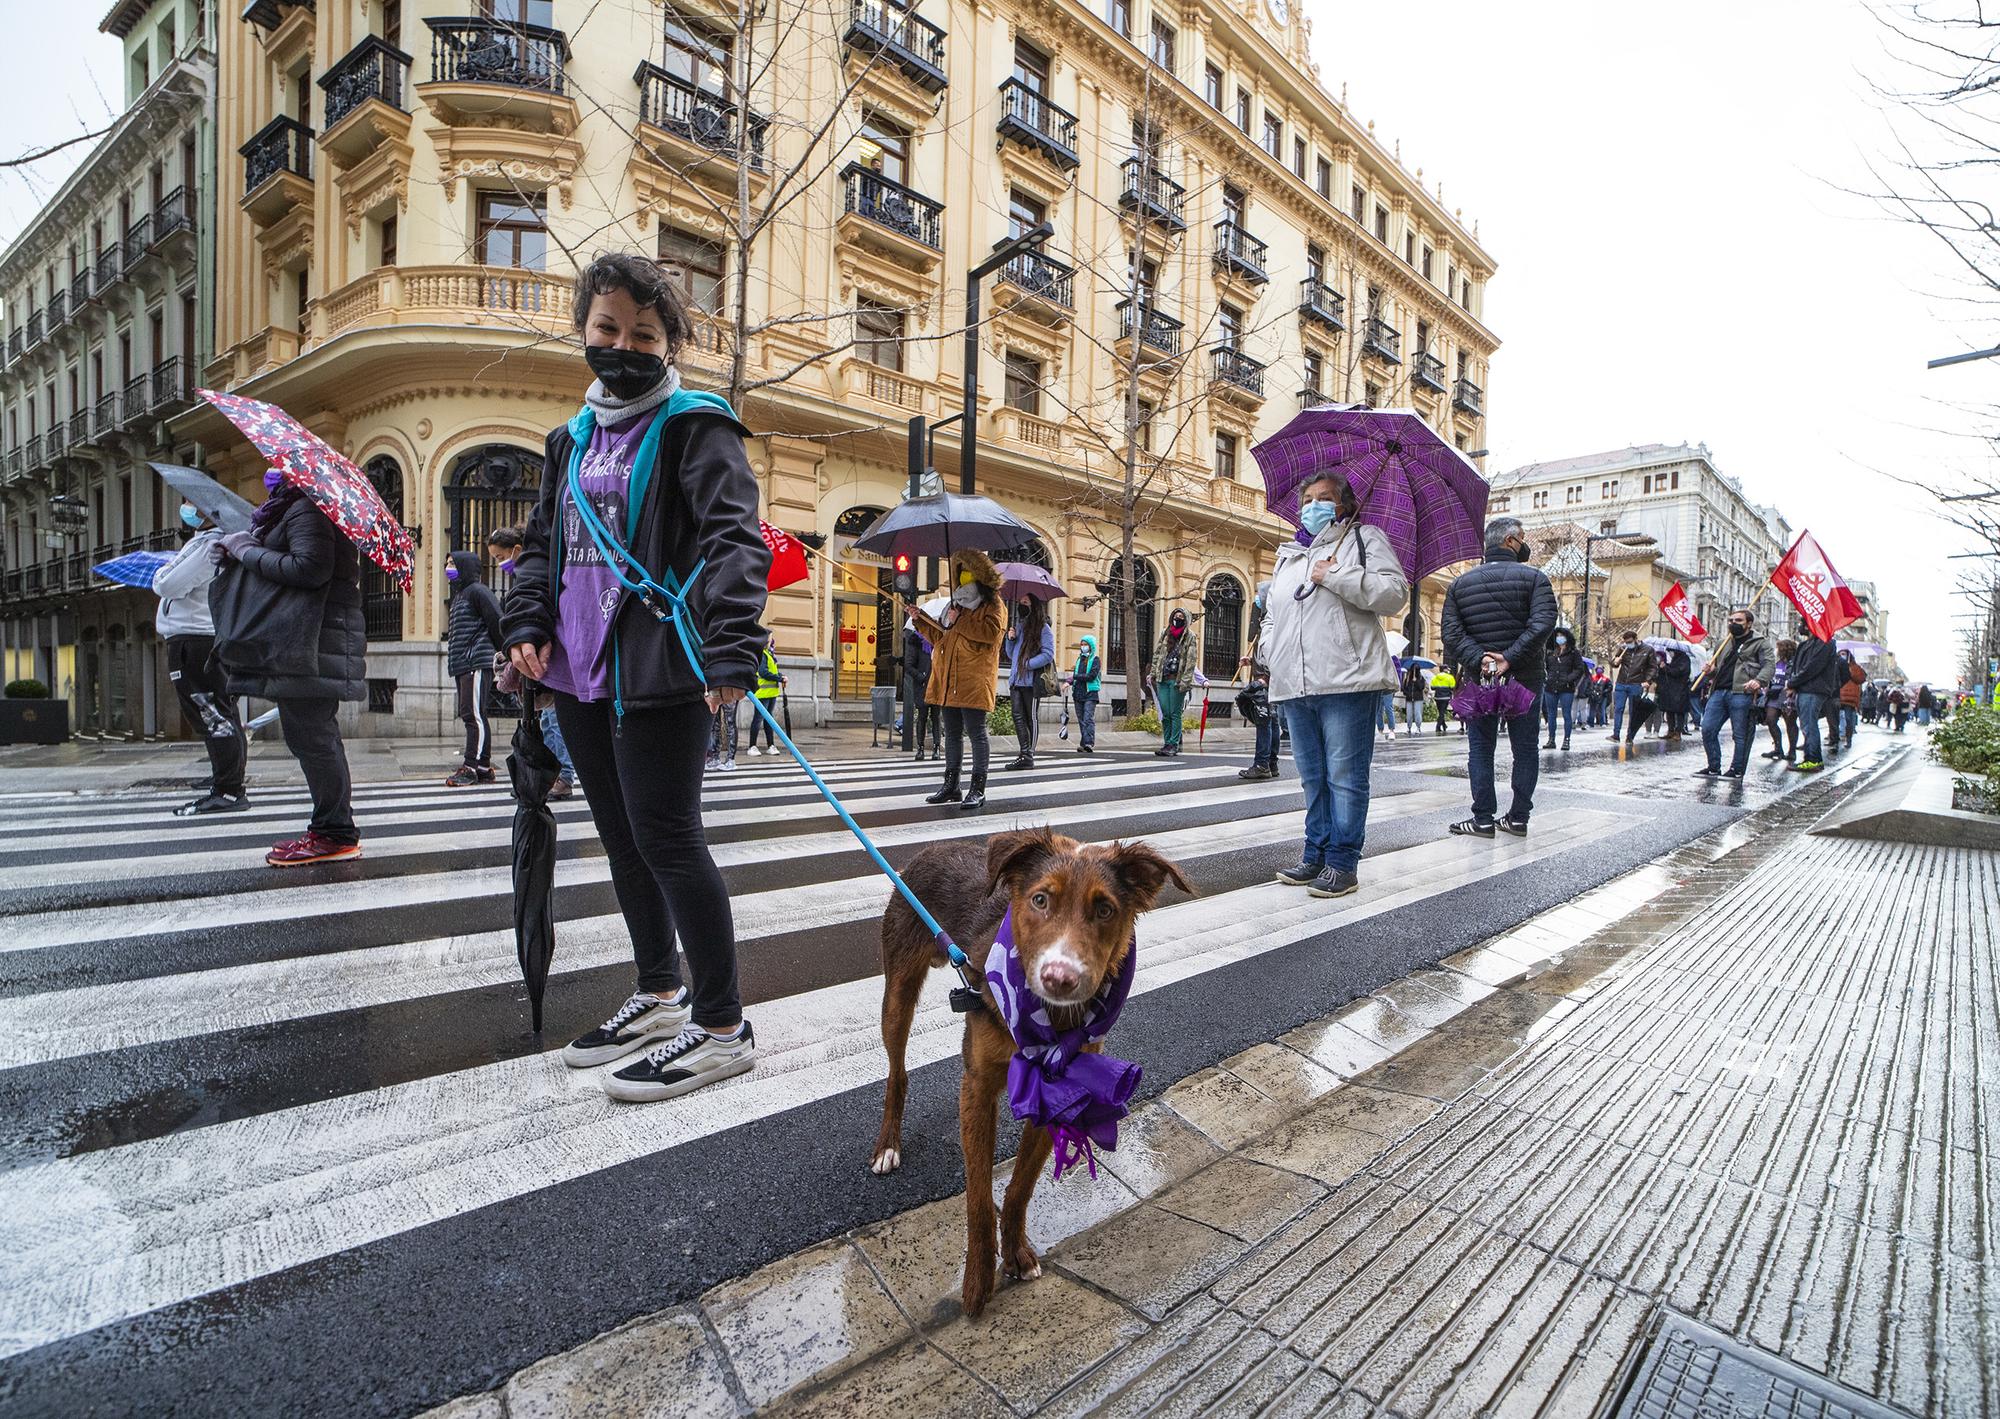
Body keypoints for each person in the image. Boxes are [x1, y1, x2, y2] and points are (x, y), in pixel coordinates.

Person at [500, 250, 769, 1102]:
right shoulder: (568, 439)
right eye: (608, 327)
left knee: (670, 839)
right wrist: (526, 625)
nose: (623, 344)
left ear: (669, 341)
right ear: (585, 327)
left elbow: (735, 538)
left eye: (643, 333)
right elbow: (542, 545)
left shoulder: (697, 424)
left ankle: (723, 1023)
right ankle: (659, 991)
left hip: (661, 669)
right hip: (581, 673)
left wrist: (733, 651)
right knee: (621, 842)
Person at [1258, 470, 1408, 897]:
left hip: (1347, 679)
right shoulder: (1288, 555)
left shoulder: (1364, 539)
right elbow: (1273, 615)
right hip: (1294, 684)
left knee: (1345, 776)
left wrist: (1336, 576)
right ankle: (1316, 853)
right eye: (1307, 498)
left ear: (1344, 505)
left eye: (1323, 498)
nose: (1312, 505)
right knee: (1313, 777)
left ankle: (1343, 860)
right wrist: (1271, 651)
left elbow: (1394, 593)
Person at [214, 470, 366, 865]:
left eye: (278, 468)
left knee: (314, 739)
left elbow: (309, 568)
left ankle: (335, 833)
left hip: (314, 639)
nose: (270, 474)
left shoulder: (307, 509)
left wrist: (246, 551)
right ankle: (332, 829)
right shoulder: (298, 509)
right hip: (306, 638)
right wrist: (239, 550)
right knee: (311, 738)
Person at [1441, 517, 1558, 837]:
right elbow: (1543, 624)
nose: (1524, 545)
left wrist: (1480, 660)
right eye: (1521, 538)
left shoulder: (1460, 585)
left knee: (1480, 748)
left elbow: (1451, 634)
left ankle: (1482, 819)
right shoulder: (1536, 578)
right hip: (1525, 677)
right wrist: (1510, 658)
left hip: (1480, 680)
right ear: (1509, 541)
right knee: (1525, 748)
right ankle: (1518, 817)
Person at [155, 503, 250, 816]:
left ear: (211, 510)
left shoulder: (211, 543)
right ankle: (226, 780)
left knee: (211, 714)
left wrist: (163, 573)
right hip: (199, 637)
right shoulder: (206, 542)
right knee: (219, 712)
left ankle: (229, 789)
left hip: (194, 639)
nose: (187, 508)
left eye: (194, 504)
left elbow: (167, 584)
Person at [908, 549, 1005, 809]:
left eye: (968, 576)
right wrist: (921, 621)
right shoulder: (957, 605)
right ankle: (951, 785)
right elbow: (942, 637)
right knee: (951, 733)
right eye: (960, 575)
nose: (963, 581)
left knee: (976, 734)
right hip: (947, 680)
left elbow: (991, 634)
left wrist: (958, 621)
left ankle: (978, 788)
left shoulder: (992, 605)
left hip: (974, 680)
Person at [489, 526, 574, 799]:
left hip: (553, 657)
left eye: (500, 556)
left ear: (516, 550)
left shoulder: (539, 570)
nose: (498, 563)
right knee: (548, 721)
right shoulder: (523, 579)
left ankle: (563, 776)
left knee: (554, 720)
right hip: (539, 658)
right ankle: (552, 776)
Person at [444, 550, 503, 786]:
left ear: (465, 566)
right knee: (472, 713)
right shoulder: (460, 596)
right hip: (463, 663)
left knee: (474, 715)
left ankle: (471, 766)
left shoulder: (478, 591)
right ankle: (483, 767)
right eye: (447, 564)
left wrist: (504, 653)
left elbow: (497, 621)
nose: (449, 568)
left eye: (453, 564)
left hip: (475, 661)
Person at [1695, 607, 1773, 779]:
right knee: (1707, 728)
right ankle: (1713, 767)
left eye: (1738, 621)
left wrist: (1758, 681)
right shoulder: (1723, 643)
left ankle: (1736, 770)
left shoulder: (1760, 642)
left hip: (1742, 693)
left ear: (1749, 624)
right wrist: (1710, 671)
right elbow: (1718, 669)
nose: (1733, 623)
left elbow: (1769, 665)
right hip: (1719, 691)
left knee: (1740, 735)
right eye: (1731, 620)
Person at [1000, 596, 1054, 770]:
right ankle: (1024, 753)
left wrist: (1028, 664)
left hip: (1031, 682)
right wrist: (1010, 639)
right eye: (1020, 603)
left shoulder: (1043, 629)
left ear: (1034, 606)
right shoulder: (1020, 627)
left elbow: (1048, 654)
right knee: (1018, 717)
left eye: (1025, 603)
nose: (1021, 606)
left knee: (1031, 718)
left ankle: (1028, 754)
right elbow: (1010, 655)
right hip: (1016, 680)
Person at [1152, 608, 1197, 757]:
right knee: (1165, 713)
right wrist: (1153, 673)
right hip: (1163, 679)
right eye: (1175, 616)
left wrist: (1185, 681)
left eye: (1181, 617)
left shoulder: (1190, 637)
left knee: (1174, 713)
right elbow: (1157, 654)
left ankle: (1174, 744)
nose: (1177, 619)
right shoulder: (1166, 634)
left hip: (1177, 682)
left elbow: (1190, 661)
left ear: (1186, 620)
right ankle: (1166, 743)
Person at [1541, 628, 1585, 750]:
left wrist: (1568, 678)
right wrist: (1547, 678)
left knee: (1567, 714)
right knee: (1551, 715)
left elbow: (1579, 669)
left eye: (1562, 635)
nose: (1559, 638)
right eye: (1557, 635)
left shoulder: (1573, 653)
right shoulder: (1550, 653)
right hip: (1550, 687)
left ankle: (1566, 740)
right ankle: (1551, 739)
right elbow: (1544, 667)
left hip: (1566, 688)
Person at [1760, 638, 1798, 761]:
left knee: (1790, 723)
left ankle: (1792, 751)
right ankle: (1778, 748)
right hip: (1773, 695)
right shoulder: (1777, 663)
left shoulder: (1794, 663)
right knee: (1770, 720)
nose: (1777, 651)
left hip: (1787, 694)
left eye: (1780, 649)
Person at [1610, 631, 1650, 740]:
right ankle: (1616, 734)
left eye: (1630, 642)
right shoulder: (1623, 649)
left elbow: (1652, 667)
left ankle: (1630, 736)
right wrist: (1615, 662)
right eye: (1626, 642)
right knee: (1618, 708)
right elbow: (1614, 663)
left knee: (1634, 711)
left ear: (1636, 639)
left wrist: (1648, 680)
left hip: (1636, 683)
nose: (1628, 644)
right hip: (1621, 683)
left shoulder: (1647, 650)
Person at [1068, 632, 1102, 755]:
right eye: (1081, 644)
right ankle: (1084, 743)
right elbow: (1076, 677)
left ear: (1091, 646)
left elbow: (1091, 676)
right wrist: (1069, 682)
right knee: (1081, 719)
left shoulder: (1095, 660)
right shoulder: (1079, 660)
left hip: (1090, 693)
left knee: (1088, 718)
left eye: (1085, 644)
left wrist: (1075, 676)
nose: (1083, 646)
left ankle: (1089, 743)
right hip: (1078, 693)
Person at [747, 639, 783, 754]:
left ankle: (771, 745)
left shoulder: (769, 654)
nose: (771, 641)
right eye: (769, 638)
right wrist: (780, 678)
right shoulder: (762, 654)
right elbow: (763, 672)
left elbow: (772, 671)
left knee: (769, 720)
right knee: (758, 719)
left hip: (771, 693)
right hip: (763, 693)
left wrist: (781, 676)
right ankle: (752, 746)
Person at [1656, 648, 1693, 740]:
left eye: (1670, 651)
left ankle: (1678, 731)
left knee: (1679, 711)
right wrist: (1664, 667)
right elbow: (1671, 670)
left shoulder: (1684, 659)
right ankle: (1670, 730)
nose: (1670, 653)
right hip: (1670, 689)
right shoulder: (1674, 659)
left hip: (1681, 689)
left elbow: (1677, 671)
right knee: (1669, 710)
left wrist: (1666, 668)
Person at [1399, 658, 1428, 735]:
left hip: (1418, 698)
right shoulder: (1407, 679)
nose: (1414, 671)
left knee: (1417, 713)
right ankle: (1409, 728)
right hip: (1409, 698)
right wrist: (1407, 693)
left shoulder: (1421, 679)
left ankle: (1418, 727)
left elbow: (1421, 687)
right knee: (1409, 714)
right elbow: (1403, 688)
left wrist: (1416, 681)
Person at [1430, 662, 1458, 734]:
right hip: (1446, 697)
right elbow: (1452, 687)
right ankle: (1438, 726)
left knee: (1440, 712)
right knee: (1442, 712)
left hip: (1437, 697)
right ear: (1445, 670)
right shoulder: (1450, 677)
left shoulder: (1435, 677)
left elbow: (1432, 687)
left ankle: (1444, 725)